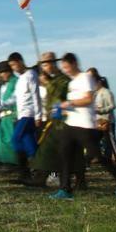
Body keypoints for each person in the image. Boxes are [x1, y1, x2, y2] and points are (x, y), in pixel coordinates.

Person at [49, 53, 116, 200]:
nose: (65, 70)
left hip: (85, 125)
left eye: (67, 67)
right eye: (63, 68)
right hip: (70, 124)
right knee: (64, 155)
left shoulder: (85, 78)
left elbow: (87, 99)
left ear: (74, 64)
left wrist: (68, 103)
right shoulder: (72, 83)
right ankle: (65, 189)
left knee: (98, 156)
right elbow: (75, 105)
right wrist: (62, 110)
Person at [29, 52, 86, 189]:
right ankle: (42, 176)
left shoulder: (64, 79)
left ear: (53, 63)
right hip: (55, 120)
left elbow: (61, 96)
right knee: (48, 148)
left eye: (46, 64)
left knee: (72, 151)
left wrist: (48, 84)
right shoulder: (54, 79)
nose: (44, 67)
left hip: (66, 119)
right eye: (42, 65)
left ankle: (80, 180)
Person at [8, 52, 41, 183]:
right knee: (29, 144)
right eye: (11, 66)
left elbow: (36, 95)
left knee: (15, 140)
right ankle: (33, 173)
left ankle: (26, 172)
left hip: (29, 114)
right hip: (22, 115)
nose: (13, 68)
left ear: (20, 61)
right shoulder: (20, 78)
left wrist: (38, 115)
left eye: (14, 65)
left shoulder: (31, 75)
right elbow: (16, 99)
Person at [0, 62, 19, 167]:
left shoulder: (16, 82)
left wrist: (1, 106)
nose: (1, 75)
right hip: (4, 116)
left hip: (14, 115)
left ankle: (14, 163)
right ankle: (4, 161)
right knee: (0, 140)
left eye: (3, 72)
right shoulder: (3, 85)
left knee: (10, 140)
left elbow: (15, 98)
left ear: (9, 72)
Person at [90, 71, 116, 163]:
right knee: (94, 140)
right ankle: (97, 157)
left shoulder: (106, 92)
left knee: (110, 143)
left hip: (108, 121)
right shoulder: (95, 93)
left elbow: (112, 106)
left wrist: (101, 110)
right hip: (98, 122)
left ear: (99, 82)